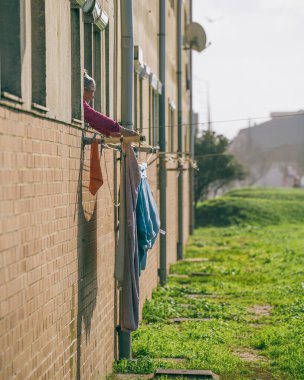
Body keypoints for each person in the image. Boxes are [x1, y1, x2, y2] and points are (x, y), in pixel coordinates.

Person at [83, 70, 138, 137]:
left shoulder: (81, 106)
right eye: (91, 92)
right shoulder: (80, 104)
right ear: (84, 90)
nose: (92, 96)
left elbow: (92, 121)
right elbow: (93, 117)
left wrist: (108, 132)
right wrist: (121, 130)